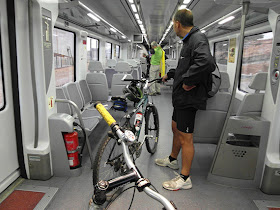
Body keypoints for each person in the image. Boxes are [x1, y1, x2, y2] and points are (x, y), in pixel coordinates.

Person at [155, 8, 215, 191]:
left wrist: (189, 81)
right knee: (175, 128)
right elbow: (187, 65)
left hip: (189, 98)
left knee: (186, 137)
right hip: (181, 97)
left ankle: (185, 177)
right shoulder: (189, 41)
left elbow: (207, 62)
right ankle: (173, 160)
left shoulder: (198, 38)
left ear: (177, 23)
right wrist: (172, 74)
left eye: (173, 23)